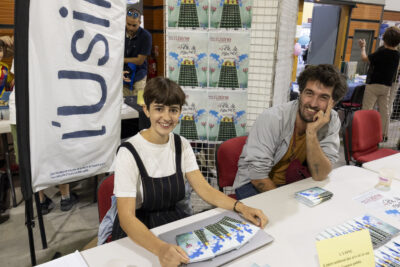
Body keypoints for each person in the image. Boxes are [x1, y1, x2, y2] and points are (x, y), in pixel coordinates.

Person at [111, 77, 268, 267]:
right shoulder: (128, 152)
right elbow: (127, 218)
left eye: (173, 110)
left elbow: (205, 190)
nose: (167, 117)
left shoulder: (181, 145)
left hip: (172, 222)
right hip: (139, 231)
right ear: (146, 110)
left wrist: (241, 207)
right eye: (159, 108)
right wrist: (160, 249)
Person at [233, 64, 347, 200]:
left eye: (323, 97)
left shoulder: (332, 120)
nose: (313, 103)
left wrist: (311, 132)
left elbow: (320, 174)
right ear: (301, 93)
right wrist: (285, 203)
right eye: (309, 93)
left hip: (293, 182)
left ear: (332, 104)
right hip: (254, 184)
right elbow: (258, 177)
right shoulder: (272, 118)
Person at [359, 26, 400, 141]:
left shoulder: (381, 52)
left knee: (367, 109)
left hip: (373, 85)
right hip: (386, 87)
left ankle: (363, 133)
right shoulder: (397, 55)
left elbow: (364, 59)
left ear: (384, 39)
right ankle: (384, 134)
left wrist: (363, 47)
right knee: (384, 111)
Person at [123, 7, 152, 99]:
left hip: (139, 75)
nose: (131, 28)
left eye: (134, 25)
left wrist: (121, 60)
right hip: (123, 74)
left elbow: (140, 60)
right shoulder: (119, 33)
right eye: (128, 24)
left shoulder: (146, 36)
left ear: (140, 23)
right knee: (124, 104)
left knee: (139, 103)